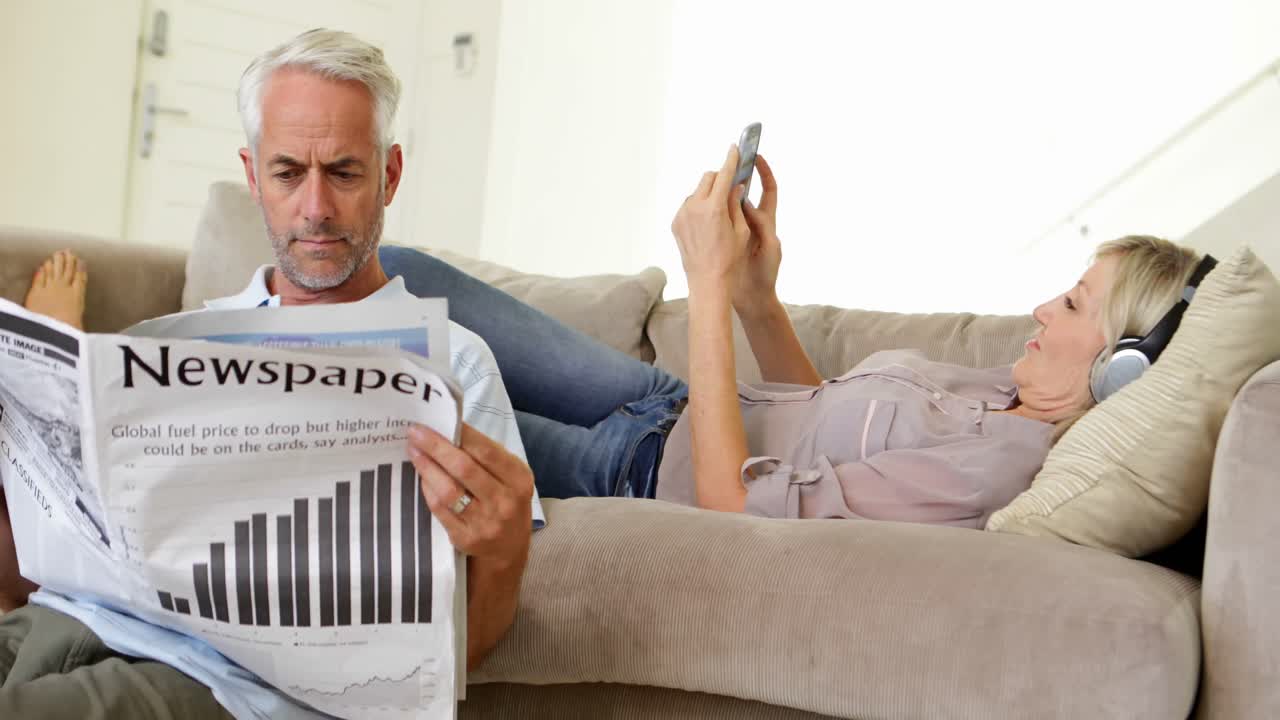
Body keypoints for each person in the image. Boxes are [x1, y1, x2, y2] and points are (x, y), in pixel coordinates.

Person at [1, 29, 538, 720]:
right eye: (288, 173)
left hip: (211, 678)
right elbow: (30, 566)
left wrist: (506, 554)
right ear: (253, 176)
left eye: (344, 172)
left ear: (390, 175)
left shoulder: (456, 365)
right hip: (58, 622)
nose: (315, 208)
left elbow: (454, 655)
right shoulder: (163, 345)